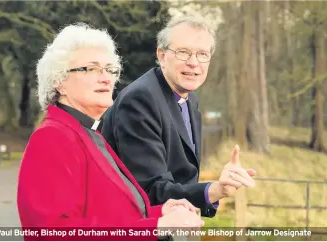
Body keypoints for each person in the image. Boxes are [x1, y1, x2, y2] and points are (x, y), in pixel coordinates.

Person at [17, 23, 204, 241]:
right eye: (91, 68)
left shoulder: (91, 134)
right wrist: (157, 227)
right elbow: (52, 233)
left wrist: (160, 212)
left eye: (110, 69)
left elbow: (115, 216)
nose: (107, 78)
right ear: (59, 81)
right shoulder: (52, 137)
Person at [101, 15, 256, 219]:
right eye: (183, 52)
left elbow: (184, 178)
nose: (193, 63)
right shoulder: (141, 100)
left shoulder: (189, 99)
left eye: (202, 54)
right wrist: (215, 190)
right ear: (162, 55)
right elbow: (151, 192)